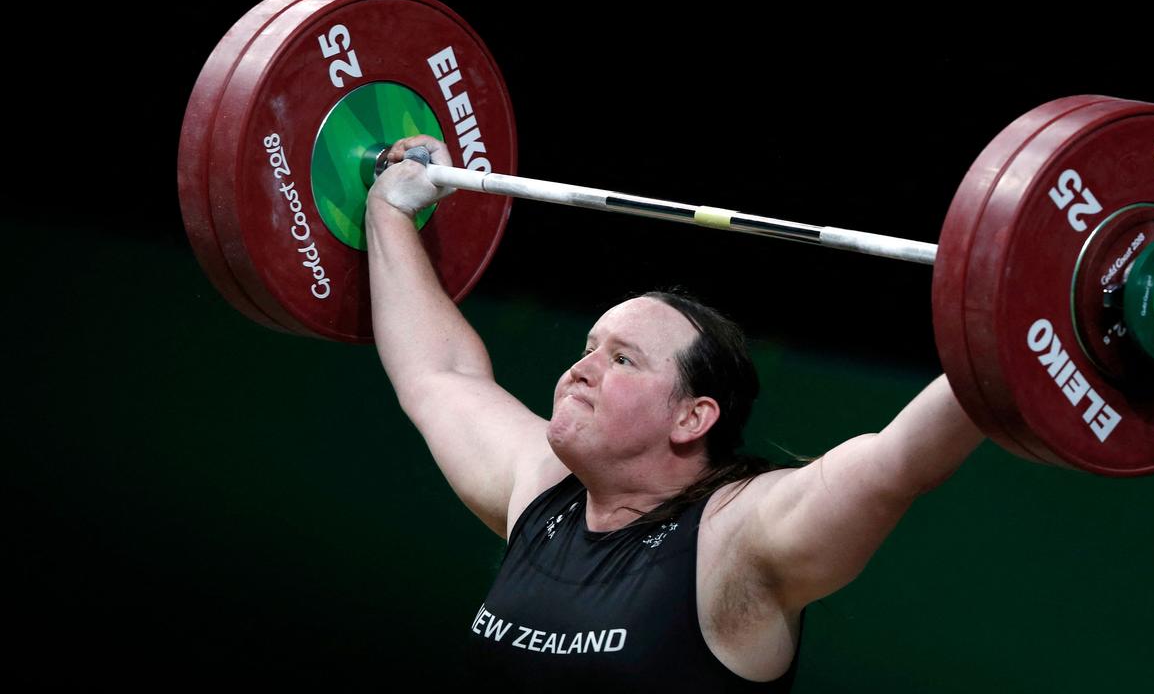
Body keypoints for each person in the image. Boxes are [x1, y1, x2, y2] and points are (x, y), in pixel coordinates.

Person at [365, 135, 986, 690]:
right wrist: (391, 208)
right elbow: (438, 373)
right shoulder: (543, 489)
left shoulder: (737, 535)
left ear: (692, 418)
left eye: (624, 360)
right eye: (589, 348)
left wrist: (1014, 330)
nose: (582, 368)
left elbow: (896, 462)